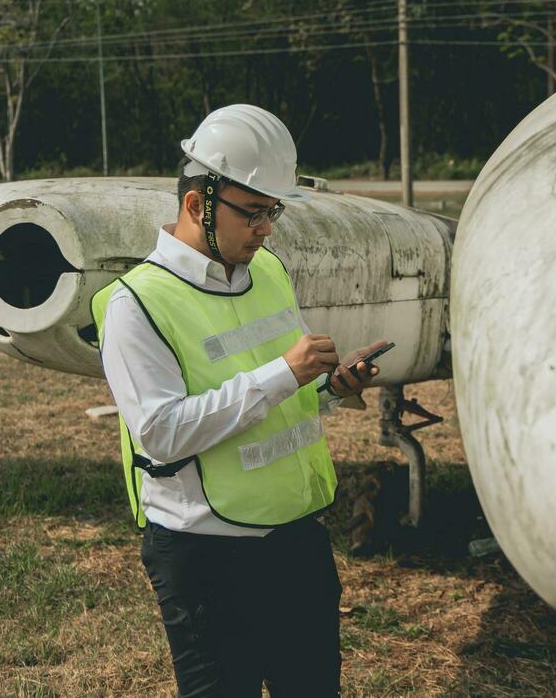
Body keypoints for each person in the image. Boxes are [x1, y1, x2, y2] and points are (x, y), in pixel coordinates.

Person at [91, 104, 386, 697]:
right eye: (252, 213)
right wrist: (284, 373)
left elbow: (281, 403)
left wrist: (329, 388)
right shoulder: (136, 305)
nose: (266, 229)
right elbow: (162, 432)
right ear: (198, 204)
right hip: (208, 559)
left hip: (298, 541)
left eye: (272, 212)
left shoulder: (269, 271)